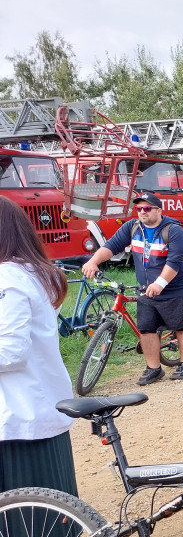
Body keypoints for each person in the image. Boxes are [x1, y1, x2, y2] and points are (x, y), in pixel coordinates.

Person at [0, 198, 78, 505]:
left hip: (18, 418)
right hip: (40, 410)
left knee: (25, 532)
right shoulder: (35, 271)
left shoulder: (8, 277)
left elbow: (10, 350)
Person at [81, 191, 183, 384]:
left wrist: (160, 283)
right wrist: (93, 261)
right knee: (146, 329)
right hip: (146, 289)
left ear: (159, 210)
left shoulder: (173, 230)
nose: (142, 212)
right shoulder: (132, 227)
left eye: (147, 208)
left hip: (175, 288)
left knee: (182, 327)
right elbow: (111, 246)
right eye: (139, 208)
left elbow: (175, 260)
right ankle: (154, 368)